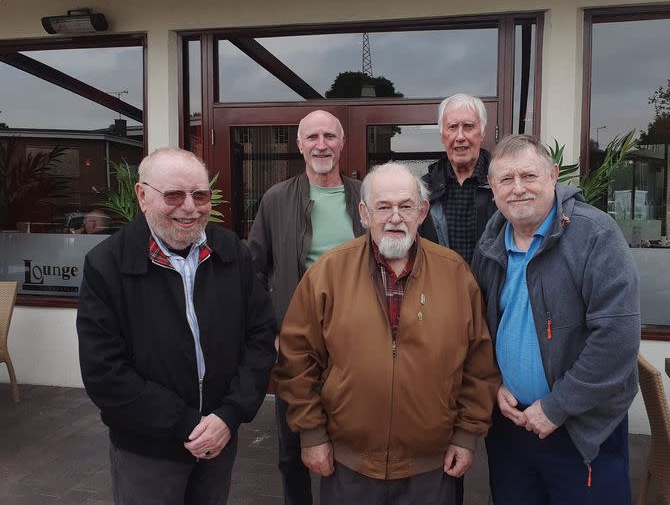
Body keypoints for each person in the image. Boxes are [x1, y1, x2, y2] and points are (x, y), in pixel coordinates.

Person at [273, 162, 500, 505]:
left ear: (422, 212)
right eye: (383, 207)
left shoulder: (456, 274)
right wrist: (312, 434)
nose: (395, 217)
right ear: (364, 214)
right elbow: (296, 360)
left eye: (406, 206)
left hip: (431, 468)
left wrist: (467, 435)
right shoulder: (328, 273)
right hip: (348, 466)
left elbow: (479, 365)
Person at [76, 148, 276, 505]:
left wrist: (229, 415)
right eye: (174, 195)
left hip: (219, 439)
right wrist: (187, 424)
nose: (190, 207)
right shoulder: (106, 265)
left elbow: (260, 338)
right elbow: (104, 372)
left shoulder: (232, 251)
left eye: (200, 195)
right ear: (142, 195)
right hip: (147, 449)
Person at [472, 135, 641, 505]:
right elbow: (479, 324)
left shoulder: (593, 235)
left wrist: (556, 407)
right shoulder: (491, 240)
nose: (518, 189)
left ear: (552, 176)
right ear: (493, 188)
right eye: (505, 180)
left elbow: (617, 338)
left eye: (528, 176)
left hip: (581, 428)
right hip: (512, 424)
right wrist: (493, 381)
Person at [247, 109, 364, 505]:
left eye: (329, 136)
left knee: (354, 434)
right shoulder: (277, 199)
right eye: (312, 137)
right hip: (297, 343)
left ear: (342, 143)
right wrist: (273, 332)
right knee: (293, 441)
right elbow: (253, 273)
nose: (321, 144)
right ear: (299, 145)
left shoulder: (364, 197)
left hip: (358, 340)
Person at [420, 93, 498, 264]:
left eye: (469, 126)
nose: (460, 136)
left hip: (492, 289)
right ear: (442, 135)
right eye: (452, 127)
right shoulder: (424, 190)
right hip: (442, 287)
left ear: (482, 132)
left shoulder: (503, 184)